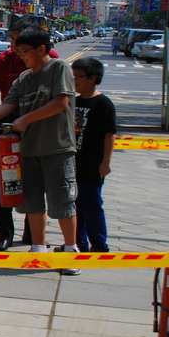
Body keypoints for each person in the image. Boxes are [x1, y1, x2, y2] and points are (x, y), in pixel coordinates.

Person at [0, 27, 80, 276]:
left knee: (62, 202)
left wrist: (27, 119)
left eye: (24, 51)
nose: (21, 56)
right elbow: (7, 106)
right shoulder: (24, 78)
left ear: (42, 49)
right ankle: (39, 248)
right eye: (18, 51)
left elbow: (61, 102)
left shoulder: (59, 68)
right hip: (28, 150)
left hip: (57, 148)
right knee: (33, 201)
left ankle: (71, 251)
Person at [0, 16, 59, 250]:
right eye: (12, 40)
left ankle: (32, 235)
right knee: (5, 179)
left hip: (39, 125)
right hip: (8, 125)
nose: (13, 46)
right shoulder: (4, 60)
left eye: (17, 41)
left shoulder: (52, 62)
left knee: (34, 181)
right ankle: (5, 234)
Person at [71, 57, 116, 253]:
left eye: (78, 76)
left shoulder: (103, 103)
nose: (74, 81)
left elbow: (109, 135)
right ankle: (78, 245)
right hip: (73, 164)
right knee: (75, 207)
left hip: (92, 165)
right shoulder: (73, 101)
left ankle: (99, 246)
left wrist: (105, 163)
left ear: (92, 78)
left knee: (92, 206)